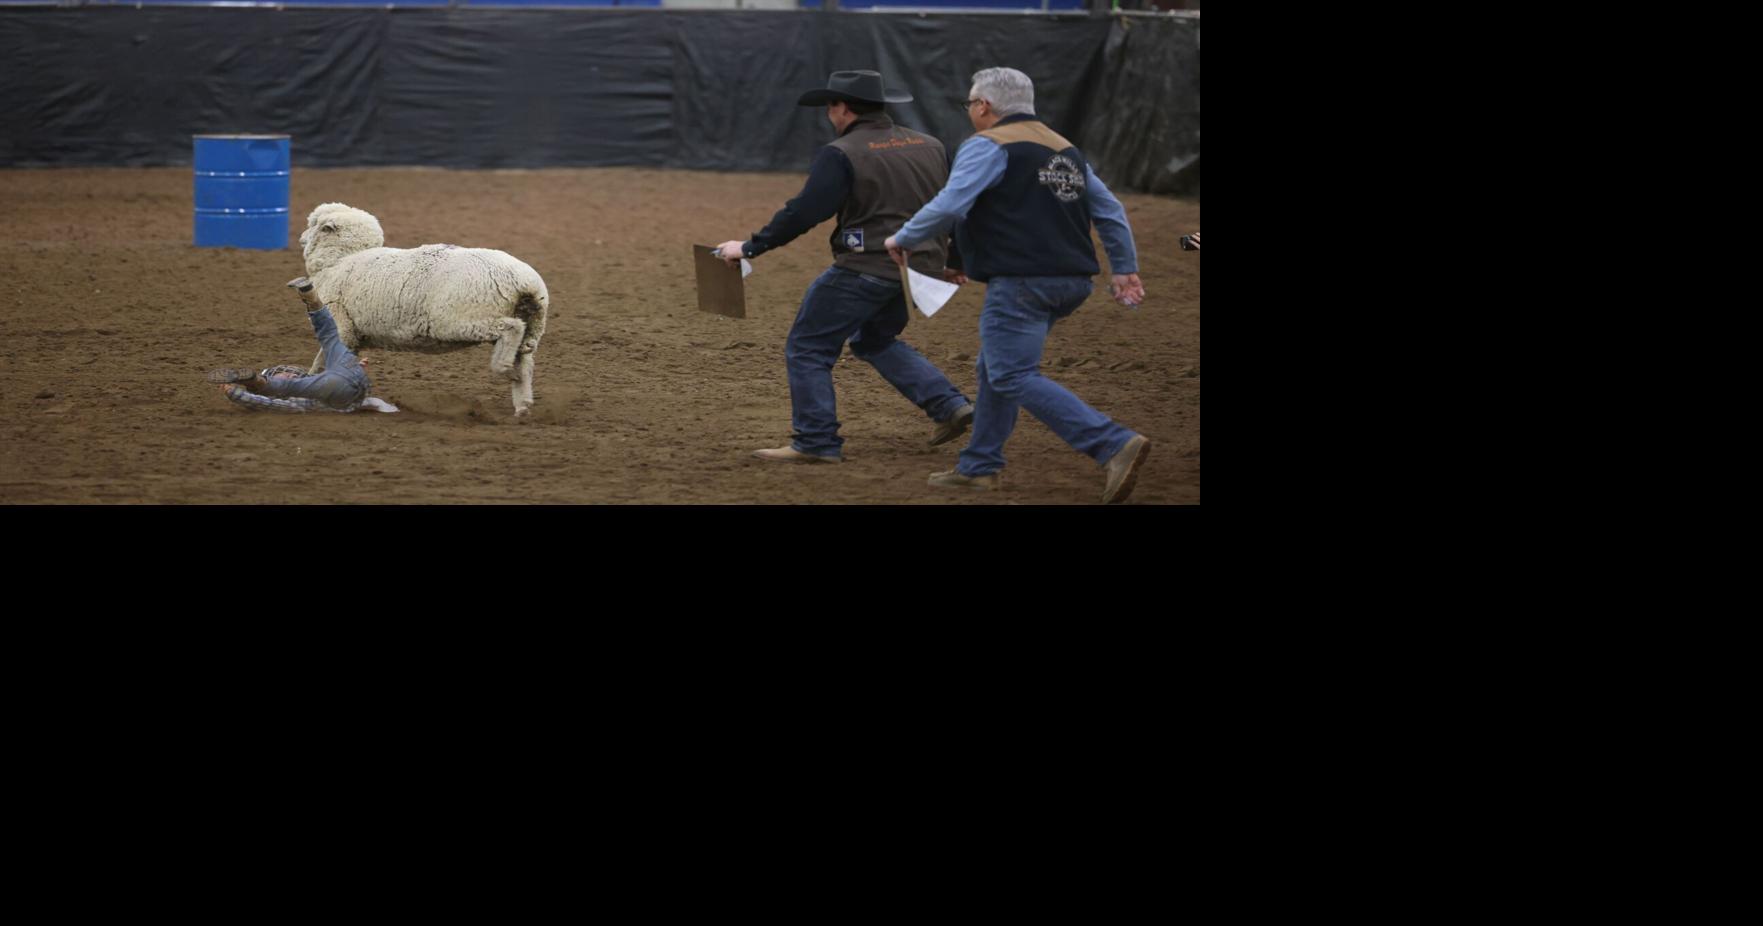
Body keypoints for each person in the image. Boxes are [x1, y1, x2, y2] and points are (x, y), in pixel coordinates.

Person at [885, 67, 1151, 504]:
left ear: (984, 106)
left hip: (1023, 282)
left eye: (970, 103)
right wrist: (1123, 268)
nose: (970, 111)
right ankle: (978, 466)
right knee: (995, 369)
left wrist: (905, 237)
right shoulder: (1065, 148)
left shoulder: (987, 145)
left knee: (1010, 373)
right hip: (1071, 283)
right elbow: (1109, 210)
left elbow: (952, 202)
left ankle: (1110, 443)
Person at [712, 69, 973, 464]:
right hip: (917, 271)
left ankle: (816, 440)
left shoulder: (842, 152)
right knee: (875, 340)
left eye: (830, 106)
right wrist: (955, 260)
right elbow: (957, 204)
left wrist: (750, 247)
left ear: (842, 108)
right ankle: (948, 405)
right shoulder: (931, 145)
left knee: (808, 346)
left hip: (865, 266)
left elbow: (805, 211)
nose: (829, 114)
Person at [209, 277, 374, 413]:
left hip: (347, 374)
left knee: (330, 337)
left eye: (282, 371)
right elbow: (265, 403)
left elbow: (338, 375)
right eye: (279, 373)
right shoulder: (297, 401)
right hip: (339, 389)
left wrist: (354, 365)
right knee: (294, 384)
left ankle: (312, 299)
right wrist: (234, 394)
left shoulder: (311, 382)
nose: (286, 372)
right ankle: (255, 382)